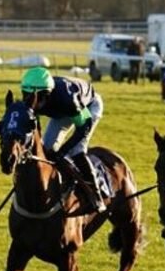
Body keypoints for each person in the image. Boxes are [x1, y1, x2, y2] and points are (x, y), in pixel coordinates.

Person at [18, 66, 107, 214]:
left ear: (46, 95)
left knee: (76, 151)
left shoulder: (68, 98)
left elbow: (84, 126)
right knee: (47, 150)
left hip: (88, 108)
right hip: (61, 112)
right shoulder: (34, 99)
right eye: (26, 95)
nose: (29, 101)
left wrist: (64, 150)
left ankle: (95, 196)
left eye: (33, 97)